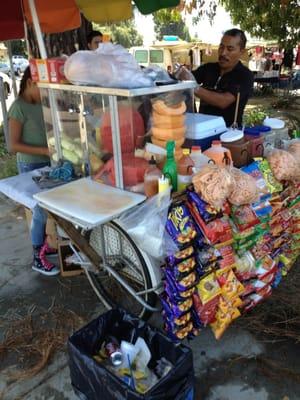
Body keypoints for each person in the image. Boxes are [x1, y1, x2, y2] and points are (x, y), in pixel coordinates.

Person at [8, 66, 60, 276]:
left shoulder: (43, 103)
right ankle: (37, 256)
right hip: (31, 165)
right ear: (30, 82)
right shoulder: (18, 108)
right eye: (42, 86)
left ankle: (48, 244)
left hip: (49, 163)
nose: (45, 91)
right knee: (39, 210)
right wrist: (43, 149)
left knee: (50, 208)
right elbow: (13, 146)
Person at [183, 29, 254, 127]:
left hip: (228, 134)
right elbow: (184, 80)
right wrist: (180, 75)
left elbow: (223, 101)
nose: (223, 53)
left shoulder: (245, 75)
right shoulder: (208, 68)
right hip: (203, 130)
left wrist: (193, 87)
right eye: (221, 47)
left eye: (230, 49)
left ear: (241, 52)